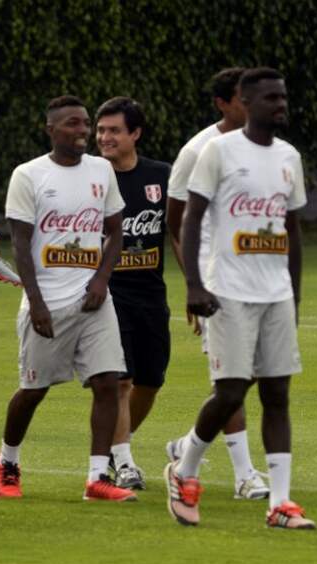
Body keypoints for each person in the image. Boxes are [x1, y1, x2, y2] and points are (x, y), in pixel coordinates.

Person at [165, 68, 314, 529]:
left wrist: (294, 295)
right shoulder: (218, 151)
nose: (281, 104)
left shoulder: (289, 156)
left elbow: (291, 231)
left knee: (277, 392)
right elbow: (190, 220)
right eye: (271, 97)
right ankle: (185, 469)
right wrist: (194, 285)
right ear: (246, 103)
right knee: (231, 391)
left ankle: (281, 503)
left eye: (283, 96)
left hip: (275, 294)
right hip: (228, 289)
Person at [0, 96, 136, 502]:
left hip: (93, 300)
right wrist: (35, 302)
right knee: (33, 391)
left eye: (85, 123)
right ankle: (8, 461)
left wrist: (101, 281)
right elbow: (20, 245)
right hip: (47, 305)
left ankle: (96, 478)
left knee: (109, 383)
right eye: (72, 124)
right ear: (50, 129)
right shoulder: (28, 175)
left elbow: (115, 231)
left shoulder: (101, 170)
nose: (82, 131)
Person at [166, 68, 268, 500]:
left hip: (258, 282)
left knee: (252, 375)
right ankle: (245, 475)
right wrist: (194, 284)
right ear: (223, 103)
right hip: (217, 280)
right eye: (247, 99)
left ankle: (188, 445)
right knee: (231, 377)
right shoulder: (198, 150)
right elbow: (175, 221)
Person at [95, 97, 171, 490]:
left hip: (152, 296)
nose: (105, 138)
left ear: (135, 134)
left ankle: (112, 449)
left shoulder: (161, 176)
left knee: (150, 381)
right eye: (101, 130)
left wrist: (197, 285)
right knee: (119, 381)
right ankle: (124, 464)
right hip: (107, 295)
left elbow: (177, 232)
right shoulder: (90, 177)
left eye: (114, 131)